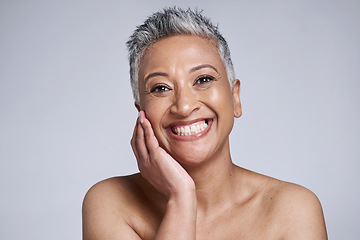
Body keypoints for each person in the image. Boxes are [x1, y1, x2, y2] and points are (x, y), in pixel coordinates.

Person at [82, 7, 327, 240]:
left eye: (203, 79)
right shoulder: (110, 202)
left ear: (235, 98)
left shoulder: (294, 209)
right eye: (161, 88)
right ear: (141, 112)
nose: (184, 106)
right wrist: (181, 198)